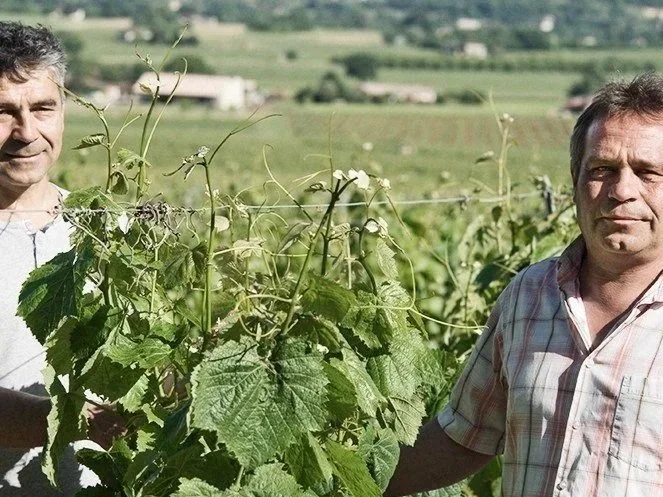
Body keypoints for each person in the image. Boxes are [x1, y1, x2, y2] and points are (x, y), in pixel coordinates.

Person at [386, 72, 663, 497]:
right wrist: (348, 482)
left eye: (648, 173)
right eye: (601, 170)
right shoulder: (529, 295)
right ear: (575, 183)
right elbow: (465, 435)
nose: (621, 190)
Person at [0, 22, 123, 496]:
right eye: (3, 112)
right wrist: (75, 419)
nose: (26, 132)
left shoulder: (107, 230)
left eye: (42, 108)